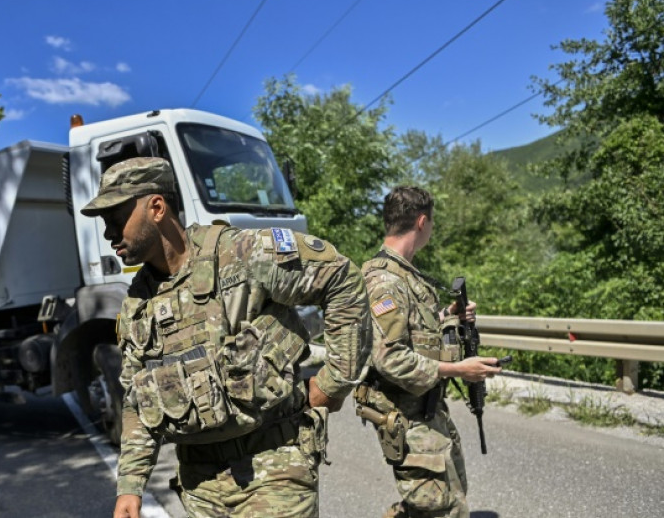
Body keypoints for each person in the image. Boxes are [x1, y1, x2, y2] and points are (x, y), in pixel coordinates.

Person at [79, 156, 372, 518]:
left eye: (116, 219)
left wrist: (335, 381)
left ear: (156, 207)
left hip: (274, 470)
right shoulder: (138, 303)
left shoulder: (240, 254)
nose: (109, 234)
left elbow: (341, 278)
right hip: (200, 485)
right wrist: (130, 485)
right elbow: (137, 398)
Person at [356, 186, 501, 518]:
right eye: (432, 223)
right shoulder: (385, 282)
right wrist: (459, 370)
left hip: (426, 410)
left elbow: (411, 334)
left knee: (443, 500)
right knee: (443, 508)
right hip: (407, 417)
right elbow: (389, 357)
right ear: (422, 222)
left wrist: (447, 317)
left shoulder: (404, 275)